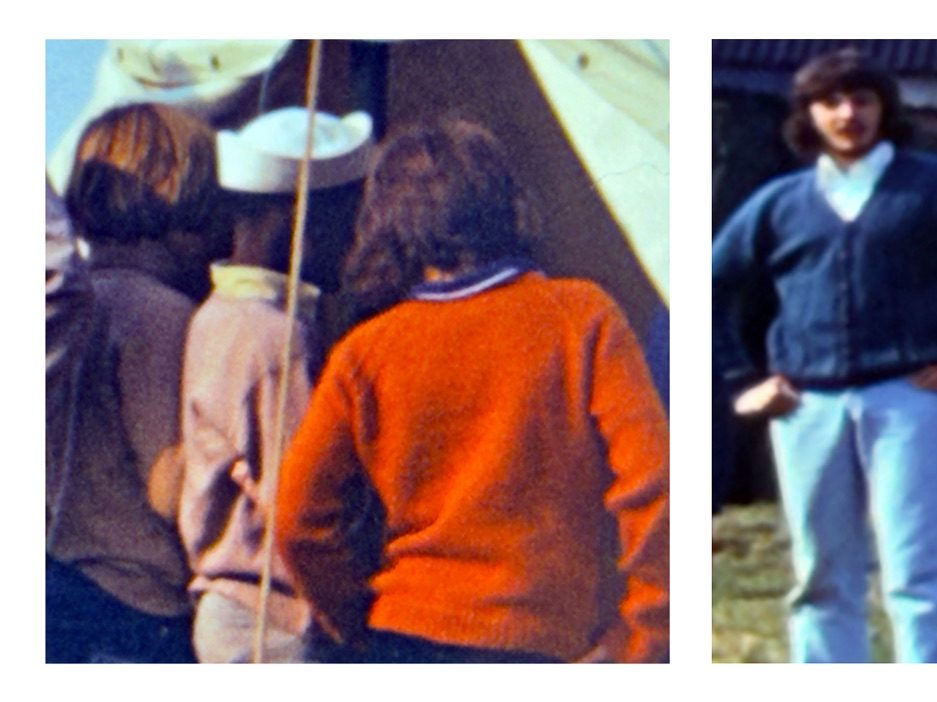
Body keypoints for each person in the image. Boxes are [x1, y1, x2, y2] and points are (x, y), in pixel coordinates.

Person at [710, 49, 937, 663]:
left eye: (862, 99)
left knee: (922, 575)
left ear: (885, 108)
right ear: (808, 115)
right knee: (820, 581)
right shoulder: (781, 203)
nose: (848, 114)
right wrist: (742, 381)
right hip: (807, 407)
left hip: (913, 402)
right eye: (830, 102)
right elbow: (707, 284)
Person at [273, 117, 670, 663]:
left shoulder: (366, 351)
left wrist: (353, 616)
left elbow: (296, 518)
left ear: (387, 221)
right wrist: (644, 639)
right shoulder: (583, 317)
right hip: (537, 644)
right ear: (507, 201)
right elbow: (656, 486)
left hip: (401, 638)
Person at [175, 107, 374, 663]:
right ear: (302, 223)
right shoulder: (278, 338)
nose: (355, 242)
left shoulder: (215, 315)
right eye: (346, 221)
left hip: (229, 611)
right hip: (274, 622)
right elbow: (303, 502)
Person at [48, 102, 228, 663]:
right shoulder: (159, 313)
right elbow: (166, 488)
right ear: (181, 202)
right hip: (134, 603)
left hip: (63, 580)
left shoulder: (74, 305)